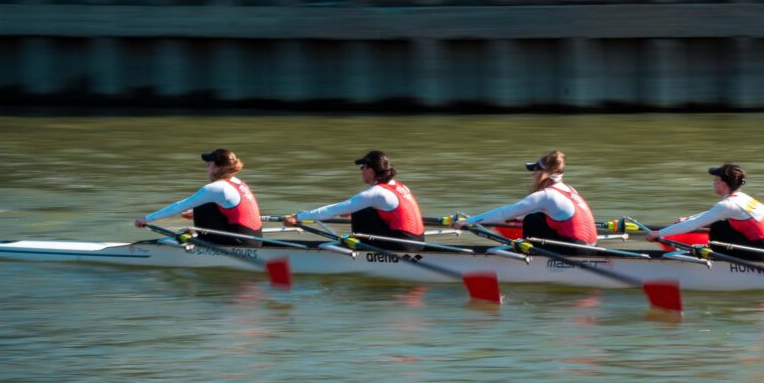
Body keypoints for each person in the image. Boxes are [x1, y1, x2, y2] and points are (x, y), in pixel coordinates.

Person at [284, 150, 425, 252]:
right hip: (418, 241)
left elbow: (332, 210)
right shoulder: (400, 186)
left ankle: (359, 247)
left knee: (357, 211)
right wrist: (355, 211)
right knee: (359, 211)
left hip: (403, 245)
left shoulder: (376, 193)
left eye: (362, 167)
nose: (361, 170)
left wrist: (298, 217)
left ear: (370, 170)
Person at [455, 150, 598, 249]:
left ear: (543, 173)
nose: (533, 175)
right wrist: (505, 221)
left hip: (575, 250)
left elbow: (504, 213)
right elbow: (521, 214)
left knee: (532, 220)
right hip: (592, 247)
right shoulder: (571, 190)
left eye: (535, 170)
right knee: (535, 218)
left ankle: (527, 256)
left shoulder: (546, 195)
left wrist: (467, 222)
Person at [646, 163, 764, 261]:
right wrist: (688, 218)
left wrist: (658, 233)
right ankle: (715, 255)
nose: (713, 182)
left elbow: (692, 225)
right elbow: (711, 214)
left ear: (723, 185)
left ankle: (716, 262)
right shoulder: (742, 198)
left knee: (718, 227)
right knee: (721, 224)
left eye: (715, 180)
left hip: (763, 255)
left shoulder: (728, 205)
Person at [134, 149, 263, 247]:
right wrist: (197, 214)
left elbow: (179, 207)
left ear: (218, 168)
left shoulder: (216, 188)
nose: (206, 168)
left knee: (200, 204)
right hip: (257, 239)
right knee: (203, 205)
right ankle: (201, 232)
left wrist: (146, 219)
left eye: (209, 164)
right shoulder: (238, 182)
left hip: (239, 242)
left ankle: (200, 242)